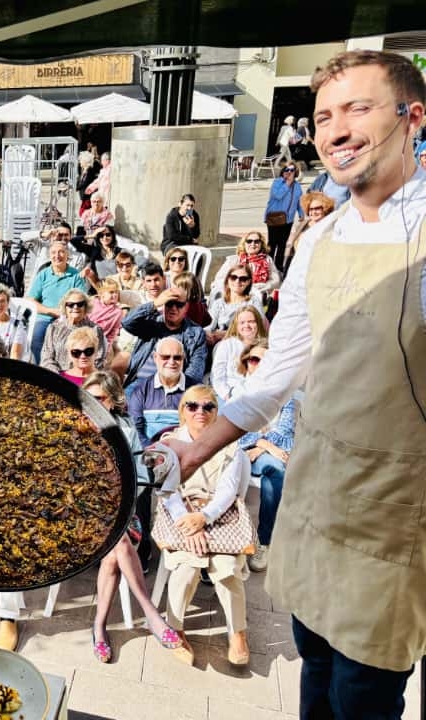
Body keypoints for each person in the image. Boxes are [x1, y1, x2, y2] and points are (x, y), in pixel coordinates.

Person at [165, 50, 426, 718]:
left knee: (360, 691)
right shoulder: (319, 240)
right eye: (323, 117)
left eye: (357, 109)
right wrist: (191, 449)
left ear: (413, 118)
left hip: (397, 512)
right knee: (314, 661)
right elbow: (276, 376)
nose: (335, 129)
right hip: (316, 490)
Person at [82, 371, 183, 664]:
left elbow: (137, 479)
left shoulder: (125, 431)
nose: (92, 404)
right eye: (87, 398)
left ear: (112, 401)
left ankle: (99, 626)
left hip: (122, 514)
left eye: (99, 398)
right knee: (119, 543)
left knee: (117, 545)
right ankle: (151, 613)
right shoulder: (71, 430)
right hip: (79, 521)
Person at [158, 385, 252, 668]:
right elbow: (167, 490)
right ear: (182, 410)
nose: (200, 411)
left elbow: (228, 491)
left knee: (226, 568)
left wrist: (205, 518)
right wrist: (191, 524)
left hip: (217, 514)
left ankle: (238, 632)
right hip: (180, 514)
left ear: (216, 412)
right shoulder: (170, 443)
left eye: (208, 407)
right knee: (187, 566)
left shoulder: (230, 447)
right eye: (193, 406)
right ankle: (175, 627)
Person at [234, 340, 299, 574]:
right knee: (275, 463)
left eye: (264, 361)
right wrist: (261, 442)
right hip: (240, 454)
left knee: (275, 468)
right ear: (246, 364)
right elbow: (234, 432)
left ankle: (264, 541)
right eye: (253, 360)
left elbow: (284, 434)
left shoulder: (286, 396)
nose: (258, 365)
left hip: (268, 455)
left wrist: (261, 445)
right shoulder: (238, 392)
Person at [122, 285, 207, 389]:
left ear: (186, 307)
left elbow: (195, 371)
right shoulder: (152, 322)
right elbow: (127, 322)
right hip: (140, 383)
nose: (174, 308)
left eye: (179, 305)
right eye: (170, 303)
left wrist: (177, 390)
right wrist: (155, 304)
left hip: (172, 387)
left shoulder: (196, 333)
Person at [127, 337, 197, 446]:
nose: (171, 362)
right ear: (155, 357)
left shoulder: (195, 389)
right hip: (148, 452)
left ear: (183, 358)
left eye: (177, 357)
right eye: (165, 357)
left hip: (184, 450)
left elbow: (201, 428)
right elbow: (135, 427)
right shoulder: (141, 389)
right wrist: (151, 450)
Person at [26, 239, 88, 362]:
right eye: (54, 252)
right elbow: (30, 300)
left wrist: (66, 314)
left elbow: (81, 301)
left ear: (67, 255)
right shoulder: (43, 275)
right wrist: (51, 311)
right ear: (50, 255)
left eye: (61, 252)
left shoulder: (76, 276)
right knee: (35, 339)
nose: (57, 256)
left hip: (68, 319)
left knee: (66, 344)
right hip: (44, 318)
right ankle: (43, 369)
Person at [39, 288, 108, 374]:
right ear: (65, 307)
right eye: (71, 304)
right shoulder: (54, 328)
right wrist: (59, 376)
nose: (75, 307)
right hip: (57, 376)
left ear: (86, 307)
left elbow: (100, 359)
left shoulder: (95, 330)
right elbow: (46, 357)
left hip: (85, 377)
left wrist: (78, 374)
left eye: (80, 304)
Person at [209, 305, 268, 402]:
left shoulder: (266, 346)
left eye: (251, 322)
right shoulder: (227, 345)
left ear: (258, 323)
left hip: (258, 396)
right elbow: (217, 377)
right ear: (236, 325)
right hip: (229, 394)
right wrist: (227, 395)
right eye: (242, 323)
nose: (246, 325)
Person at [211, 232, 281, 300]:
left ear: (261, 244)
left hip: (259, 294)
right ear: (244, 244)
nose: (253, 244)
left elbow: (275, 280)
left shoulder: (267, 259)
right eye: (249, 241)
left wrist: (263, 286)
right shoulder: (234, 260)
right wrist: (237, 286)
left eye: (257, 241)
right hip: (235, 294)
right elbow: (219, 279)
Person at [205, 264, 264, 344]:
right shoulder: (219, 303)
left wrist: (226, 334)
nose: (237, 281)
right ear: (228, 280)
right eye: (233, 277)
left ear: (248, 282)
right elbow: (209, 327)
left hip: (245, 342)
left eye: (243, 279)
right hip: (219, 343)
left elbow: (259, 329)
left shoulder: (253, 301)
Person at [283, 192, 335, 277]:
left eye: (317, 208)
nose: (313, 212)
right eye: (311, 209)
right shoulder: (301, 225)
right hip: (299, 269)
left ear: (325, 209)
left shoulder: (331, 226)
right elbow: (290, 248)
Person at [264, 163, 304, 271]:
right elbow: (277, 195)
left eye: (292, 170)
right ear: (283, 171)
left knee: (282, 244)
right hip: (274, 218)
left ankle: (279, 266)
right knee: (273, 243)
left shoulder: (297, 186)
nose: (289, 172)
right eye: (287, 169)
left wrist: (301, 213)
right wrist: (287, 183)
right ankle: (268, 266)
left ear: (296, 172)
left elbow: (299, 201)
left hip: (288, 219)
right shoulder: (277, 182)